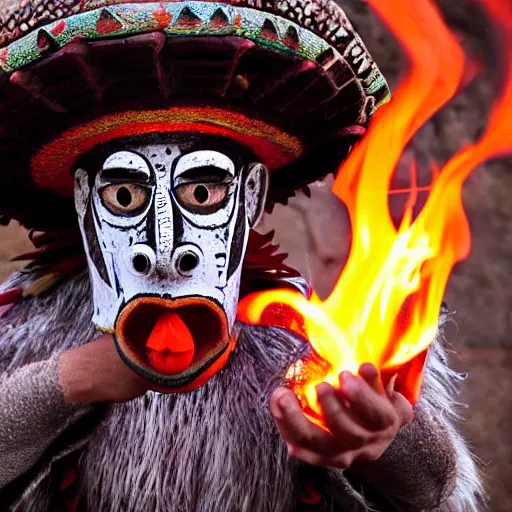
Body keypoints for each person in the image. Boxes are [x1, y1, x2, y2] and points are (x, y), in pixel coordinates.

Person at [0, 0, 483, 510]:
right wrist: (66, 381)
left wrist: (386, 440)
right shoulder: (22, 330)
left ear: (250, 195)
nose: (164, 251)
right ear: (84, 200)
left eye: (202, 194)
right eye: (125, 196)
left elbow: (440, 493)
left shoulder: (319, 344)